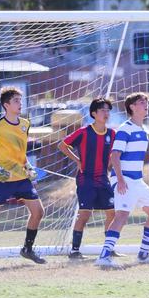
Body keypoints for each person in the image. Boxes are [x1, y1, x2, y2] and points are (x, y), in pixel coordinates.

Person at [95, 92, 149, 267]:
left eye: (146, 102)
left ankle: (143, 255)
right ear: (132, 107)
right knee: (121, 216)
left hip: (138, 181)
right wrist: (120, 180)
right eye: (142, 102)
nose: (146, 105)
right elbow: (115, 156)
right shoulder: (125, 128)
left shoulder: (143, 130)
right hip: (124, 180)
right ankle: (103, 257)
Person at [0, 87, 46, 264]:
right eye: (16, 100)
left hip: (21, 179)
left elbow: (20, 151)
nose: (20, 103)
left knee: (38, 212)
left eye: (21, 100)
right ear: (6, 105)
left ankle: (28, 249)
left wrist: (28, 166)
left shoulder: (25, 124)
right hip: (0, 181)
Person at [57, 98, 116, 259]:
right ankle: (75, 250)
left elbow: (112, 156)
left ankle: (108, 248)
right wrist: (77, 160)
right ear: (94, 114)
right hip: (86, 180)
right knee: (84, 215)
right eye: (103, 110)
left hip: (103, 179)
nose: (106, 113)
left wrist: (112, 166)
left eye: (108, 110)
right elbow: (62, 145)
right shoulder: (84, 132)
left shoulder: (112, 134)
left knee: (112, 213)